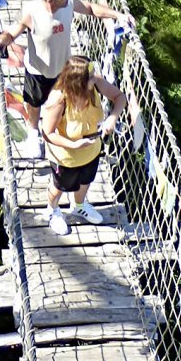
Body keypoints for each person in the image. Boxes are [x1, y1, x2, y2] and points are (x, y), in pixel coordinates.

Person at [0, 0, 134, 155]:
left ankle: (61, 136)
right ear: (50, 0)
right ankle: (34, 132)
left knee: (64, 103)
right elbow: (12, 34)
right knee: (34, 103)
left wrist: (118, 15)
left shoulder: (67, 4)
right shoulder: (32, 12)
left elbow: (90, 8)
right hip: (37, 70)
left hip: (64, 71)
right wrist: (0, 41)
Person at [41, 55, 125, 235]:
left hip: (91, 150)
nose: (96, 78)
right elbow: (47, 133)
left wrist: (112, 118)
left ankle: (79, 206)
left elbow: (119, 97)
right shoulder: (59, 99)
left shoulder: (94, 83)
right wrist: (74, 145)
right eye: (91, 77)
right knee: (58, 187)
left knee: (86, 181)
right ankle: (52, 210)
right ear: (78, 82)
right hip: (66, 157)